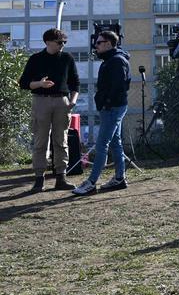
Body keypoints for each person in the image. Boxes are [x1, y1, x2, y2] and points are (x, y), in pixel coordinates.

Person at [18, 28, 79, 192]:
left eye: (64, 42)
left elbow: (76, 83)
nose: (63, 45)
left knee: (61, 140)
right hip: (41, 102)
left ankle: (61, 177)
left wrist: (72, 101)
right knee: (40, 141)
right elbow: (23, 83)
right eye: (60, 42)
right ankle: (39, 179)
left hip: (62, 102)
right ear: (48, 42)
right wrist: (39, 84)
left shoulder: (67, 58)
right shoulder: (35, 59)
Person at [72, 30, 132, 195]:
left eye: (98, 43)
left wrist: (106, 103)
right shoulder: (111, 60)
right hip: (113, 107)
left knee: (101, 145)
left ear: (108, 43)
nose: (95, 46)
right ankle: (120, 179)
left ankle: (91, 183)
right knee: (115, 143)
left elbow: (119, 87)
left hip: (112, 108)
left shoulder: (116, 61)